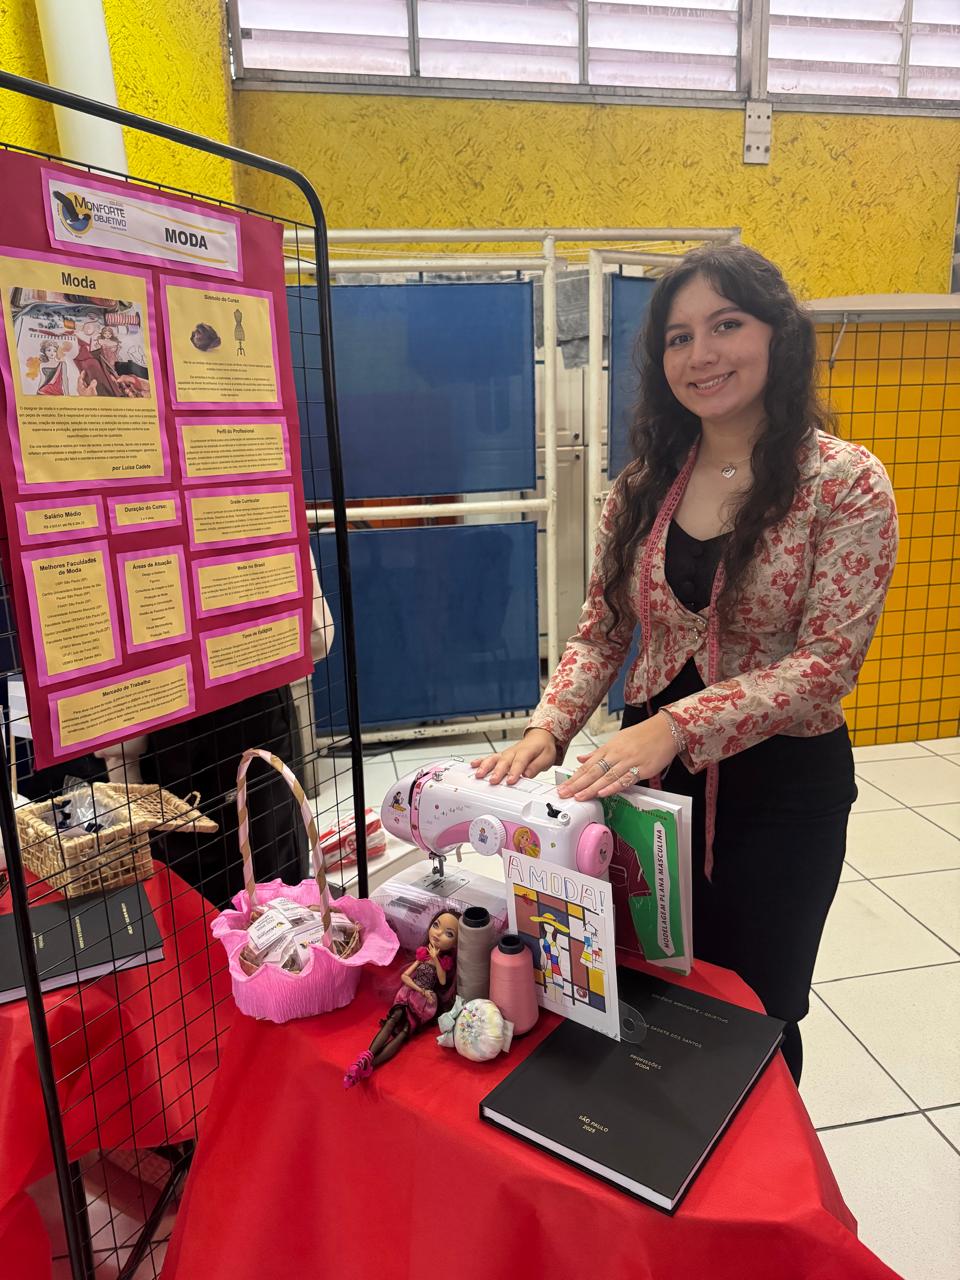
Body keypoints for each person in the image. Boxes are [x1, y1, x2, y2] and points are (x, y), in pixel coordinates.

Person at [473, 243, 898, 1085]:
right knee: (646, 984)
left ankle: (756, 1159)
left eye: (726, 325)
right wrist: (548, 729)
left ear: (777, 335)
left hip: (783, 790)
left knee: (759, 1006)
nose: (701, 354)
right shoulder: (642, 487)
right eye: (678, 337)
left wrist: (677, 725)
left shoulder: (844, 483)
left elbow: (825, 664)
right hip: (646, 788)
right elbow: (602, 630)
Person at [343, 909, 461, 1087]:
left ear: (455, 944)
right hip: (410, 993)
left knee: (404, 1032)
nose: (437, 933)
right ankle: (365, 1059)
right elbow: (405, 976)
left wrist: (436, 960)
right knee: (393, 1019)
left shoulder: (444, 963)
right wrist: (419, 989)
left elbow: (443, 981)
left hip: (425, 1003)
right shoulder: (422, 956)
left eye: (448, 933)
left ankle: (368, 1066)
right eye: (436, 925)